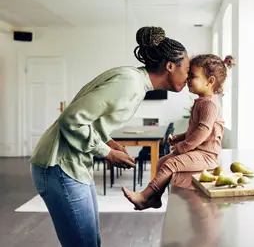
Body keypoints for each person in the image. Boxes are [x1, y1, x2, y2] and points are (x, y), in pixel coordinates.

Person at [29, 26, 190, 247]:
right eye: (188, 69)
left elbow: (92, 119)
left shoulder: (134, 81)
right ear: (170, 66)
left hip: (70, 165)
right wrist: (107, 153)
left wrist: (110, 142)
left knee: (90, 241)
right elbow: (71, 119)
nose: (189, 77)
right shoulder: (129, 83)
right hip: (59, 165)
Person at [122, 54, 236, 210]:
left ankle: (144, 196)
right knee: (162, 161)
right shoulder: (202, 101)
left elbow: (203, 131)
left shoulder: (210, 104)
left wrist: (184, 146)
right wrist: (179, 137)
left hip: (208, 155)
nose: (188, 79)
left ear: (210, 81)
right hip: (198, 151)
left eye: (193, 76)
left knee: (171, 164)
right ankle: (155, 198)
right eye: (188, 76)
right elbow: (195, 130)